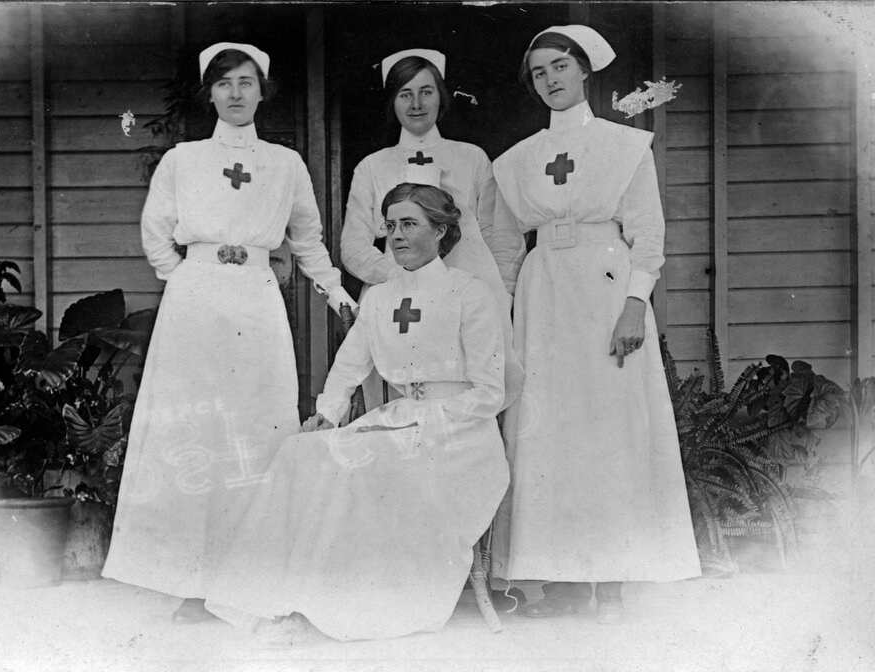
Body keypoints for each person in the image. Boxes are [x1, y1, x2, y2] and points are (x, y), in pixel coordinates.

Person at [102, 42, 356, 624]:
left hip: (257, 306)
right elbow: (156, 236)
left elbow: (307, 241)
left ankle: (245, 582)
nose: (237, 93)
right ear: (209, 93)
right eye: (225, 84)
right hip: (195, 307)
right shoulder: (183, 160)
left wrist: (338, 294)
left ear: (263, 91)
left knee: (253, 429)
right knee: (194, 426)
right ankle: (178, 577)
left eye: (247, 82)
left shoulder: (285, 164)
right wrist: (191, 282)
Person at [201, 181, 510, 642]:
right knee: (299, 454)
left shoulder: (469, 294)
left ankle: (341, 610)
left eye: (410, 224)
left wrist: (425, 420)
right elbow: (348, 367)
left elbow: (490, 393)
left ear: (442, 231)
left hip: (459, 441)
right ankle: (273, 598)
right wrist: (326, 416)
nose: (397, 236)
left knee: (364, 468)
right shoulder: (380, 298)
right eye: (390, 226)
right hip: (400, 426)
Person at [488, 25, 701, 624]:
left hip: (606, 291)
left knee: (607, 431)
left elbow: (647, 234)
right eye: (539, 72)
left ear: (585, 71)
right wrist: (504, 322)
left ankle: (611, 577)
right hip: (541, 297)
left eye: (560, 66)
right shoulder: (517, 161)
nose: (551, 80)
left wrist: (636, 302)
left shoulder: (623, 146)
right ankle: (558, 578)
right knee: (547, 432)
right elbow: (504, 252)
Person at [341, 49, 522, 412]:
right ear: (392, 101)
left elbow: (500, 235)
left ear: (441, 95)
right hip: (399, 302)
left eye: (426, 91)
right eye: (404, 93)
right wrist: (399, 278)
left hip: (470, 298)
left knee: (476, 398)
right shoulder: (372, 167)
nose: (416, 103)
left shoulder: (472, 157)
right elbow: (353, 246)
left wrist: (501, 295)